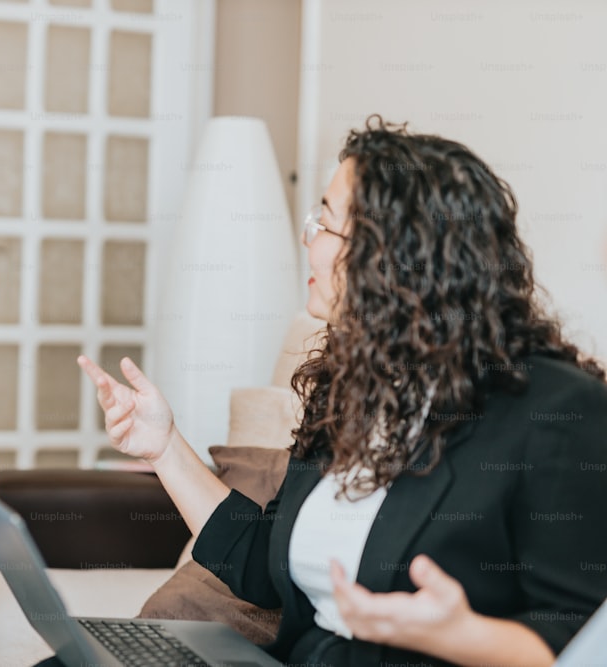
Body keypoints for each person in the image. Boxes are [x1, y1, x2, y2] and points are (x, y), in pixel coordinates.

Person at [78, 116, 607, 666]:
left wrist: (458, 635)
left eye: (326, 223)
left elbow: (582, 639)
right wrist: (164, 448)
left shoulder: (558, 411)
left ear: (397, 254)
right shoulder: (354, 386)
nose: (309, 240)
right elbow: (264, 569)